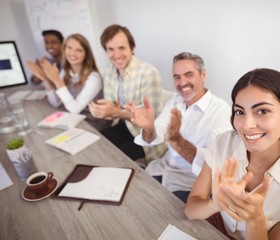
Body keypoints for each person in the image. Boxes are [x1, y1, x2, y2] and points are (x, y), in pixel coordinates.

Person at [185, 68, 280, 239]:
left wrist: (255, 221)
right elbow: (191, 210)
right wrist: (215, 203)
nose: (247, 125)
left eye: (262, 111)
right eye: (240, 112)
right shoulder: (223, 143)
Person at [125, 52, 233, 203]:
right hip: (162, 168)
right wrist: (149, 128)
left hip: (189, 183)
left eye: (189, 75)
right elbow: (156, 134)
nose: (182, 82)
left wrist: (177, 141)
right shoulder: (175, 102)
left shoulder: (221, 111)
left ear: (203, 74)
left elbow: (212, 164)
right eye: (177, 77)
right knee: (132, 196)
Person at [88, 24, 166, 161]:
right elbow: (113, 108)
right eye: (110, 49)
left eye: (122, 48)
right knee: (96, 146)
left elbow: (150, 120)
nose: (116, 55)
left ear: (132, 48)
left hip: (146, 136)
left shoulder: (148, 73)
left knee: (112, 159)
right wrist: (102, 111)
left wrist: (114, 112)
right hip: (125, 126)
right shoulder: (110, 71)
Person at [27, 33, 111, 131]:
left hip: (94, 123)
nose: (72, 53)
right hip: (77, 119)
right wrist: (46, 80)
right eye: (69, 48)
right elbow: (56, 103)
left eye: (78, 50)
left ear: (86, 54)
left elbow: (75, 109)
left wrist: (57, 80)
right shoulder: (66, 71)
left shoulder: (93, 78)